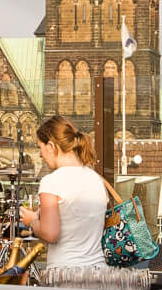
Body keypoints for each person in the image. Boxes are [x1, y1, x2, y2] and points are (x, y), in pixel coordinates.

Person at [21, 115, 110, 273]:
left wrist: (32, 221)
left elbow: (50, 233)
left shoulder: (51, 182)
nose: (40, 155)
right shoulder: (96, 179)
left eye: (40, 148)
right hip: (99, 273)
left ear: (51, 146)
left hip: (66, 274)